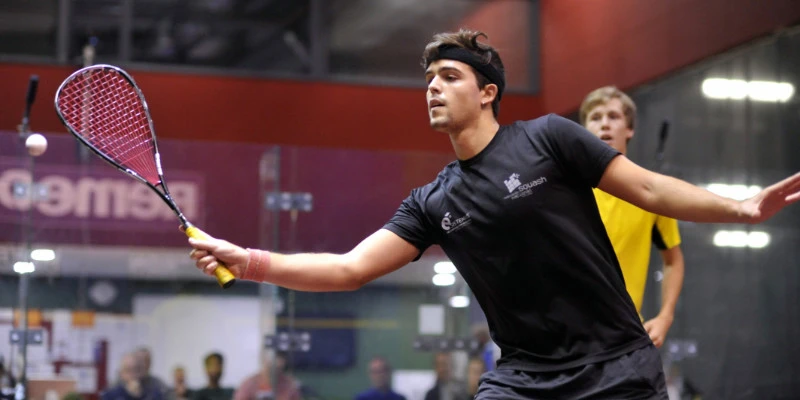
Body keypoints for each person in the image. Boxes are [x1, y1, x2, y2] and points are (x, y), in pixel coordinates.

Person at [187, 29, 800, 398]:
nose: (432, 87)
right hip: (523, 381)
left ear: (487, 92)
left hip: (617, 366)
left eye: (448, 76)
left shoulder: (551, 139)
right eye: (428, 78)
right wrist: (249, 262)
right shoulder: (433, 201)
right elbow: (349, 269)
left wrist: (740, 206)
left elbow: (653, 191)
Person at [579, 86, 685, 348]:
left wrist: (665, 316)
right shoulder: (562, 189)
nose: (604, 124)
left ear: (629, 129)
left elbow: (673, 260)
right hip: (564, 338)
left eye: (613, 117)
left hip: (624, 337)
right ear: (582, 131)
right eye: (595, 117)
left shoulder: (648, 194)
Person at [233, 352, 301, 400]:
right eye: (270, 366)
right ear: (264, 361)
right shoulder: (249, 385)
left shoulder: (289, 385)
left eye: (278, 368)